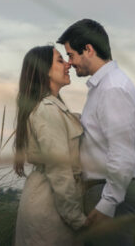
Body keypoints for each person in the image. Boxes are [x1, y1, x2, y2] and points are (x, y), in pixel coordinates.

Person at [58, 19, 135, 246]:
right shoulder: (104, 87)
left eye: (71, 55)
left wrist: (108, 202)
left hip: (113, 190)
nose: (70, 62)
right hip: (109, 189)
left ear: (88, 49)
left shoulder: (113, 87)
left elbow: (122, 151)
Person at [13, 45, 87, 246]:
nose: (68, 65)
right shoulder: (47, 110)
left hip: (48, 203)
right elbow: (59, 169)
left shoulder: (52, 108)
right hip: (50, 209)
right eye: (60, 61)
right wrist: (78, 219)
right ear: (45, 69)